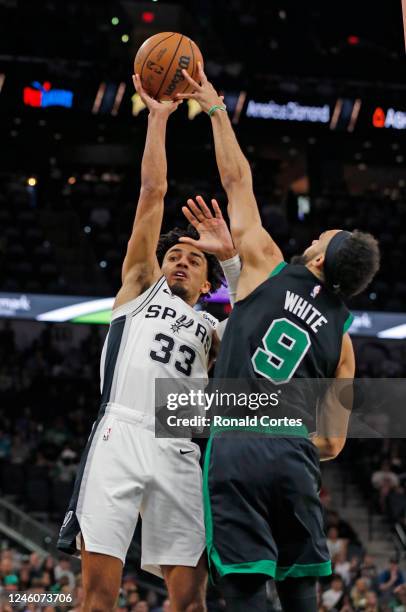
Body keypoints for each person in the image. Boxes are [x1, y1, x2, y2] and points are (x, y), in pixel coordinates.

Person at [177, 63, 380, 612]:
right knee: (300, 589)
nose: (316, 234)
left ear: (318, 258)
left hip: (238, 447)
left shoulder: (268, 265)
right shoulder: (343, 340)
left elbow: (237, 180)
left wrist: (216, 108)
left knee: (244, 586)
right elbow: (334, 444)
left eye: (322, 236)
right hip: (293, 456)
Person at [57, 75, 240, 612]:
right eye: (174, 255)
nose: (180, 259)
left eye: (193, 258)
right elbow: (152, 194)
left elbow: (249, 307)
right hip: (121, 432)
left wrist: (229, 256)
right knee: (98, 595)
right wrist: (158, 119)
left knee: (189, 600)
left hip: (181, 444)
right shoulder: (138, 289)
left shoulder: (216, 324)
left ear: (208, 282)